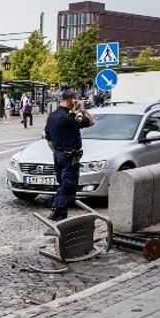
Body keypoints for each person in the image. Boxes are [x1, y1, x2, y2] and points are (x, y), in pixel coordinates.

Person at [43, 88, 94, 221]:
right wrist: (82, 109)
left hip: (58, 155)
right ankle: (57, 212)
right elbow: (90, 121)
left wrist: (56, 151)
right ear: (73, 100)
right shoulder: (69, 117)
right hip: (69, 157)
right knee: (69, 186)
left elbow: (47, 136)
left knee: (63, 184)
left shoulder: (52, 116)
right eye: (75, 100)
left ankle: (58, 212)